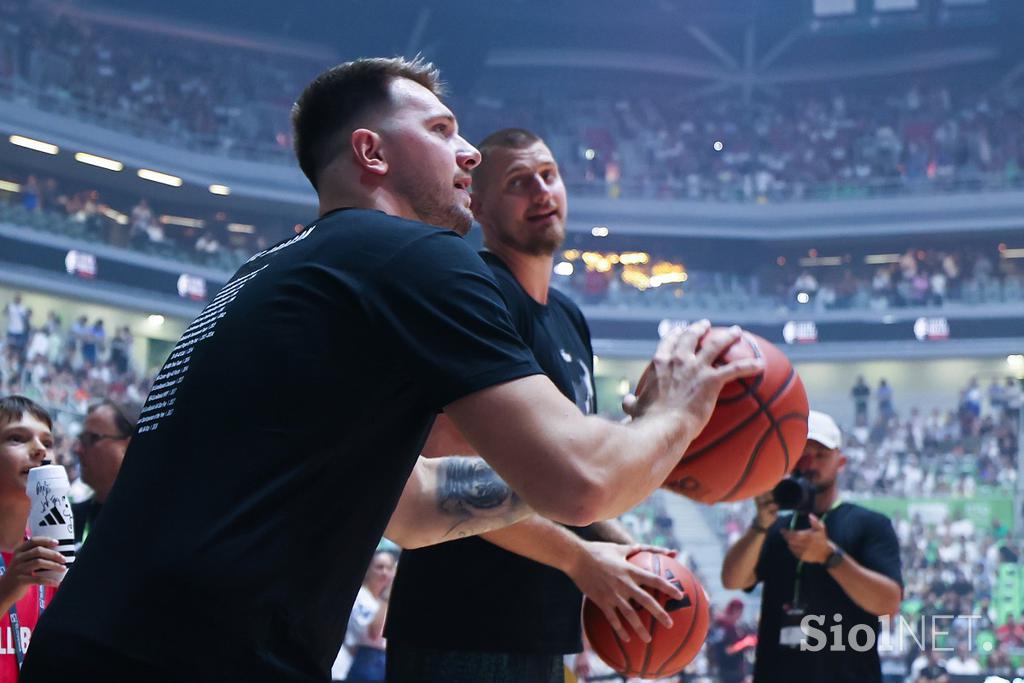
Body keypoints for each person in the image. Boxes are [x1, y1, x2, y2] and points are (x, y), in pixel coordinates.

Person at [22, 57, 761, 683]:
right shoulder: (408, 255)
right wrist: (677, 415)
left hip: (103, 644)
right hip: (191, 657)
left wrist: (629, 455)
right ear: (373, 154)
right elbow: (579, 477)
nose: (469, 151)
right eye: (441, 131)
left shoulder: (282, 270)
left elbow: (413, 502)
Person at [386, 128, 679, 683]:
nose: (542, 191)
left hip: (539, 631)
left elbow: (559, 475)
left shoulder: (570, 318)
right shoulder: (480, 292)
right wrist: (579, 559)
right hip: (459, 631)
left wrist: (631, 552)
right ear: (480, 206)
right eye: (519, 182)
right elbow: (446, 472)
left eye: (549, 175)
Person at [720, 409, 903, 683]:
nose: (810, 464)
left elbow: (889, 604)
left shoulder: (870, 524)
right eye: (803, 456)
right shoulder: (773, 527)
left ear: (840, 461)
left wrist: (830, 556)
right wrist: (760, 522)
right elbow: (733, 579)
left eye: (821, 455)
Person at [0, 396, 65, 680]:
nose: (39, 449)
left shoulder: (54, 556)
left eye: (47, 442)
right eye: (17, 438)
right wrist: (6, 590)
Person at [69, 400, 141, 547]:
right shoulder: (69, 520)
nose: (78, 449)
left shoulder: (157, 522)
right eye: (82, 439)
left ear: (129, 446)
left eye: (91, 439)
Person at [333, 550, 397, 682]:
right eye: (379, 567)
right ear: (368, 568)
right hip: (350, 669)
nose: (384, 572)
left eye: (389, 568)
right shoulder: (359, 596)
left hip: (378, 669)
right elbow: (373, 634)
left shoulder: (382, 602)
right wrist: (387, 596)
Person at [708, 598, 754, 683]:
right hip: (727, 672)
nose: (741, 615)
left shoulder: (736, 626)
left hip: (737, 671)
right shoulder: (723, 626)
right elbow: (727, 651)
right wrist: (745, 643)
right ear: (734, 610)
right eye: (739, 611)